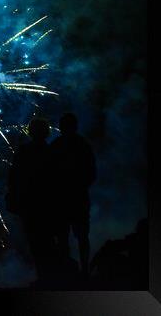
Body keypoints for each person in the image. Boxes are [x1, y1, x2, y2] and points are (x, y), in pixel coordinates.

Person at [6, 117, 56, 283]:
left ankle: (44, 276)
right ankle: (49, 276)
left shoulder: (24, 151)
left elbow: (14, 178)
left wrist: (13, 199)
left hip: (30, 204)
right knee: (48, 240)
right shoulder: (51, 152)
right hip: (47, 204)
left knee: (35, 241)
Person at [51, 113, 96, 277]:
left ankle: (68, 270)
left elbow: (49, 175)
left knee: (64, 237)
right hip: (78, 198)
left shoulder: (56, 145)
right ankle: (84, 269)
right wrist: (80, 186)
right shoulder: (83, 144)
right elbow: (92, 172)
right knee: (81, 236)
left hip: (63, 199)